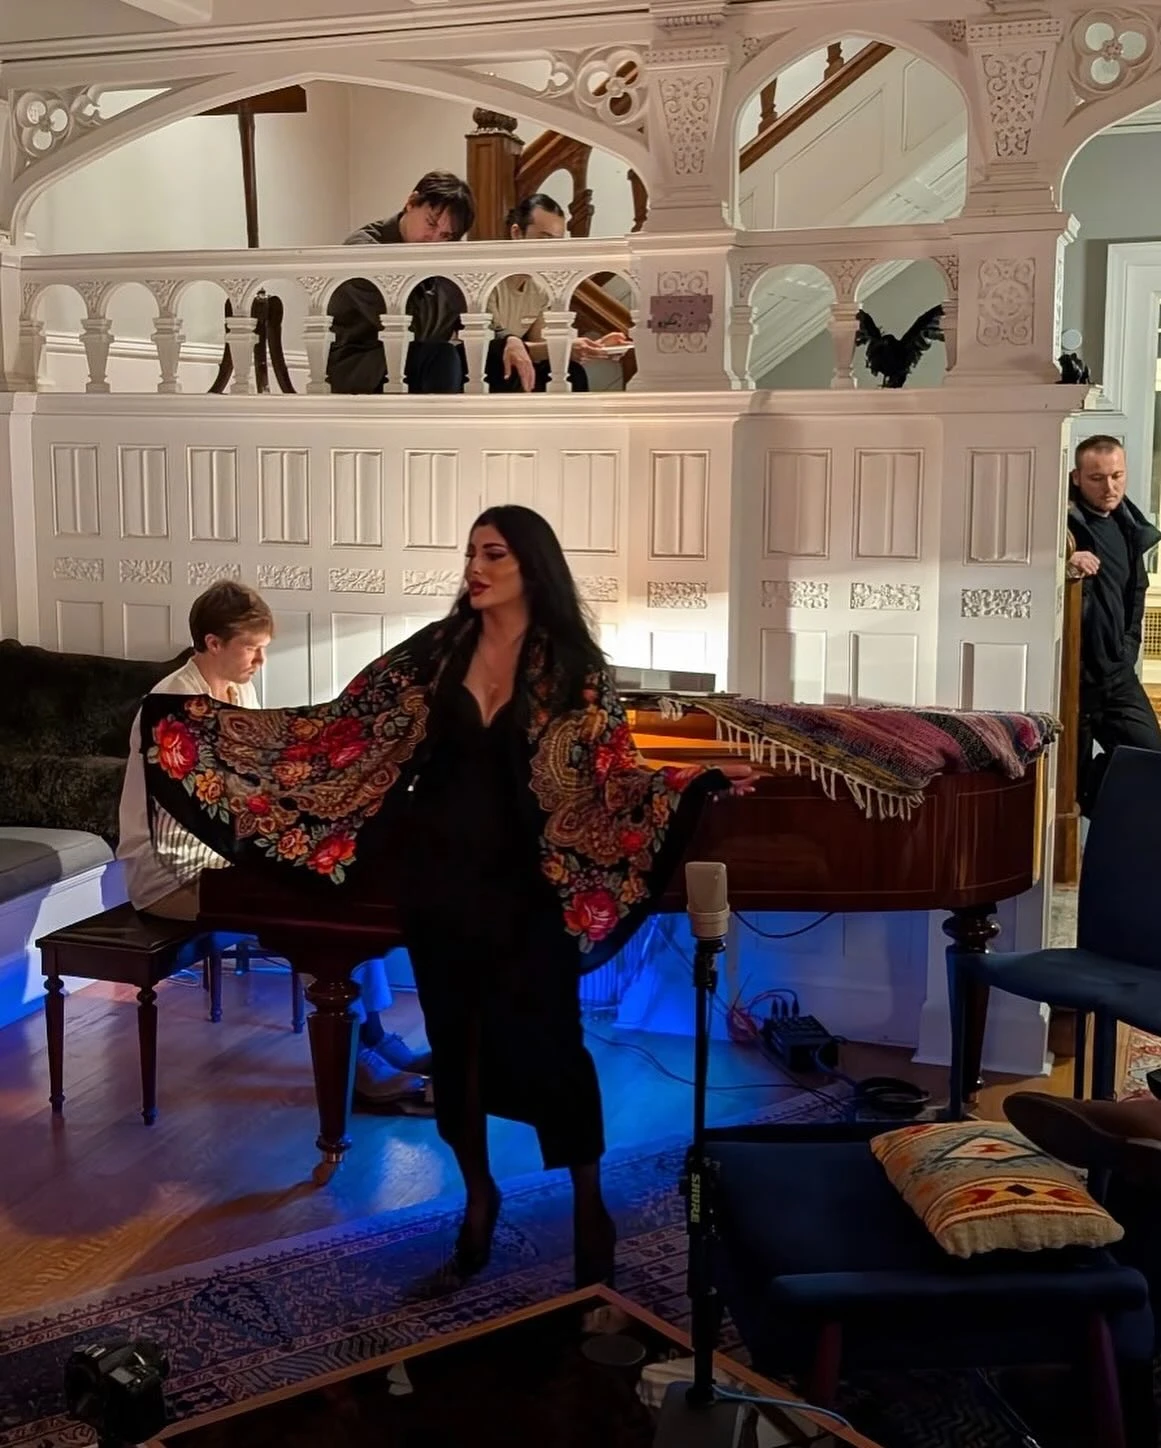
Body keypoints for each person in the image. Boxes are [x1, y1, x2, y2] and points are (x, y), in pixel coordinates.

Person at [137, 507, 755, 1286]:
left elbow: (608, 776)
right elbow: (343, 732)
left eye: (493, 554)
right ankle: (477, 1204)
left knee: (553, 1047)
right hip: (438, 883)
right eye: (471, 553)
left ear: (532, 565)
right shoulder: (435, 650)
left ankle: (587, 1206)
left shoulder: (573, 666)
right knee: (455, 1050)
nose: (475, 567)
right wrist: (199, 729)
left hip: (527, 890)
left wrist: (692, 780)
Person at [117, 580, 427, 1106]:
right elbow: (186, 826)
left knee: (343, 888)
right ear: (213, 643)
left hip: (220, 860)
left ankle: (371, 1039)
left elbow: (255, 789)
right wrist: (266, 861)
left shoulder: (236, 694)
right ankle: (355, 1066)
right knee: (310, 909)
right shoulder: (172, 708)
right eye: (251, 648)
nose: (261, 660)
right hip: (171, 873)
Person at [326, 171, 534, 395]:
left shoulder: (441, 257)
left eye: (445, 236)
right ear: (411, 202)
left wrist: (509, 339)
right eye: (431, 223)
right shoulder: (365, 249)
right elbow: (411, 326)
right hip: (363, 364)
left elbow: (471, 312)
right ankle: (440, 420)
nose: (433, 239)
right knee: (441, 356)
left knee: (504, 362)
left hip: (416, 356)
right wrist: (452, 276)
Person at [1066, 436, 1161, 816]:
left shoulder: (1129, 526)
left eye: (1117, 476)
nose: (1109, 487)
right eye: (1097, 478)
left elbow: (1136, 593)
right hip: (1072, 682)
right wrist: (1064, 560)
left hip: (1117, 675)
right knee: (1068, 789)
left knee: (1151, 760)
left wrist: (1128, 648)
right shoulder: (1060, 523)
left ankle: (1114, 828)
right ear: (1076, 477)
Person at [485, 193, 632, 394]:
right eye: (544, 239)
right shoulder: (489, 280)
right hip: (488, 363)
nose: (550, 250)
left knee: (571, 372)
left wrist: (595, 347)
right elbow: (491, 346)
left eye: (556, 242)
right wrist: (566, 348)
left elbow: (539, 349)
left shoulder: (540, 288)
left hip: (517, 361)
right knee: (514, 370)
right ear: (517, 233)